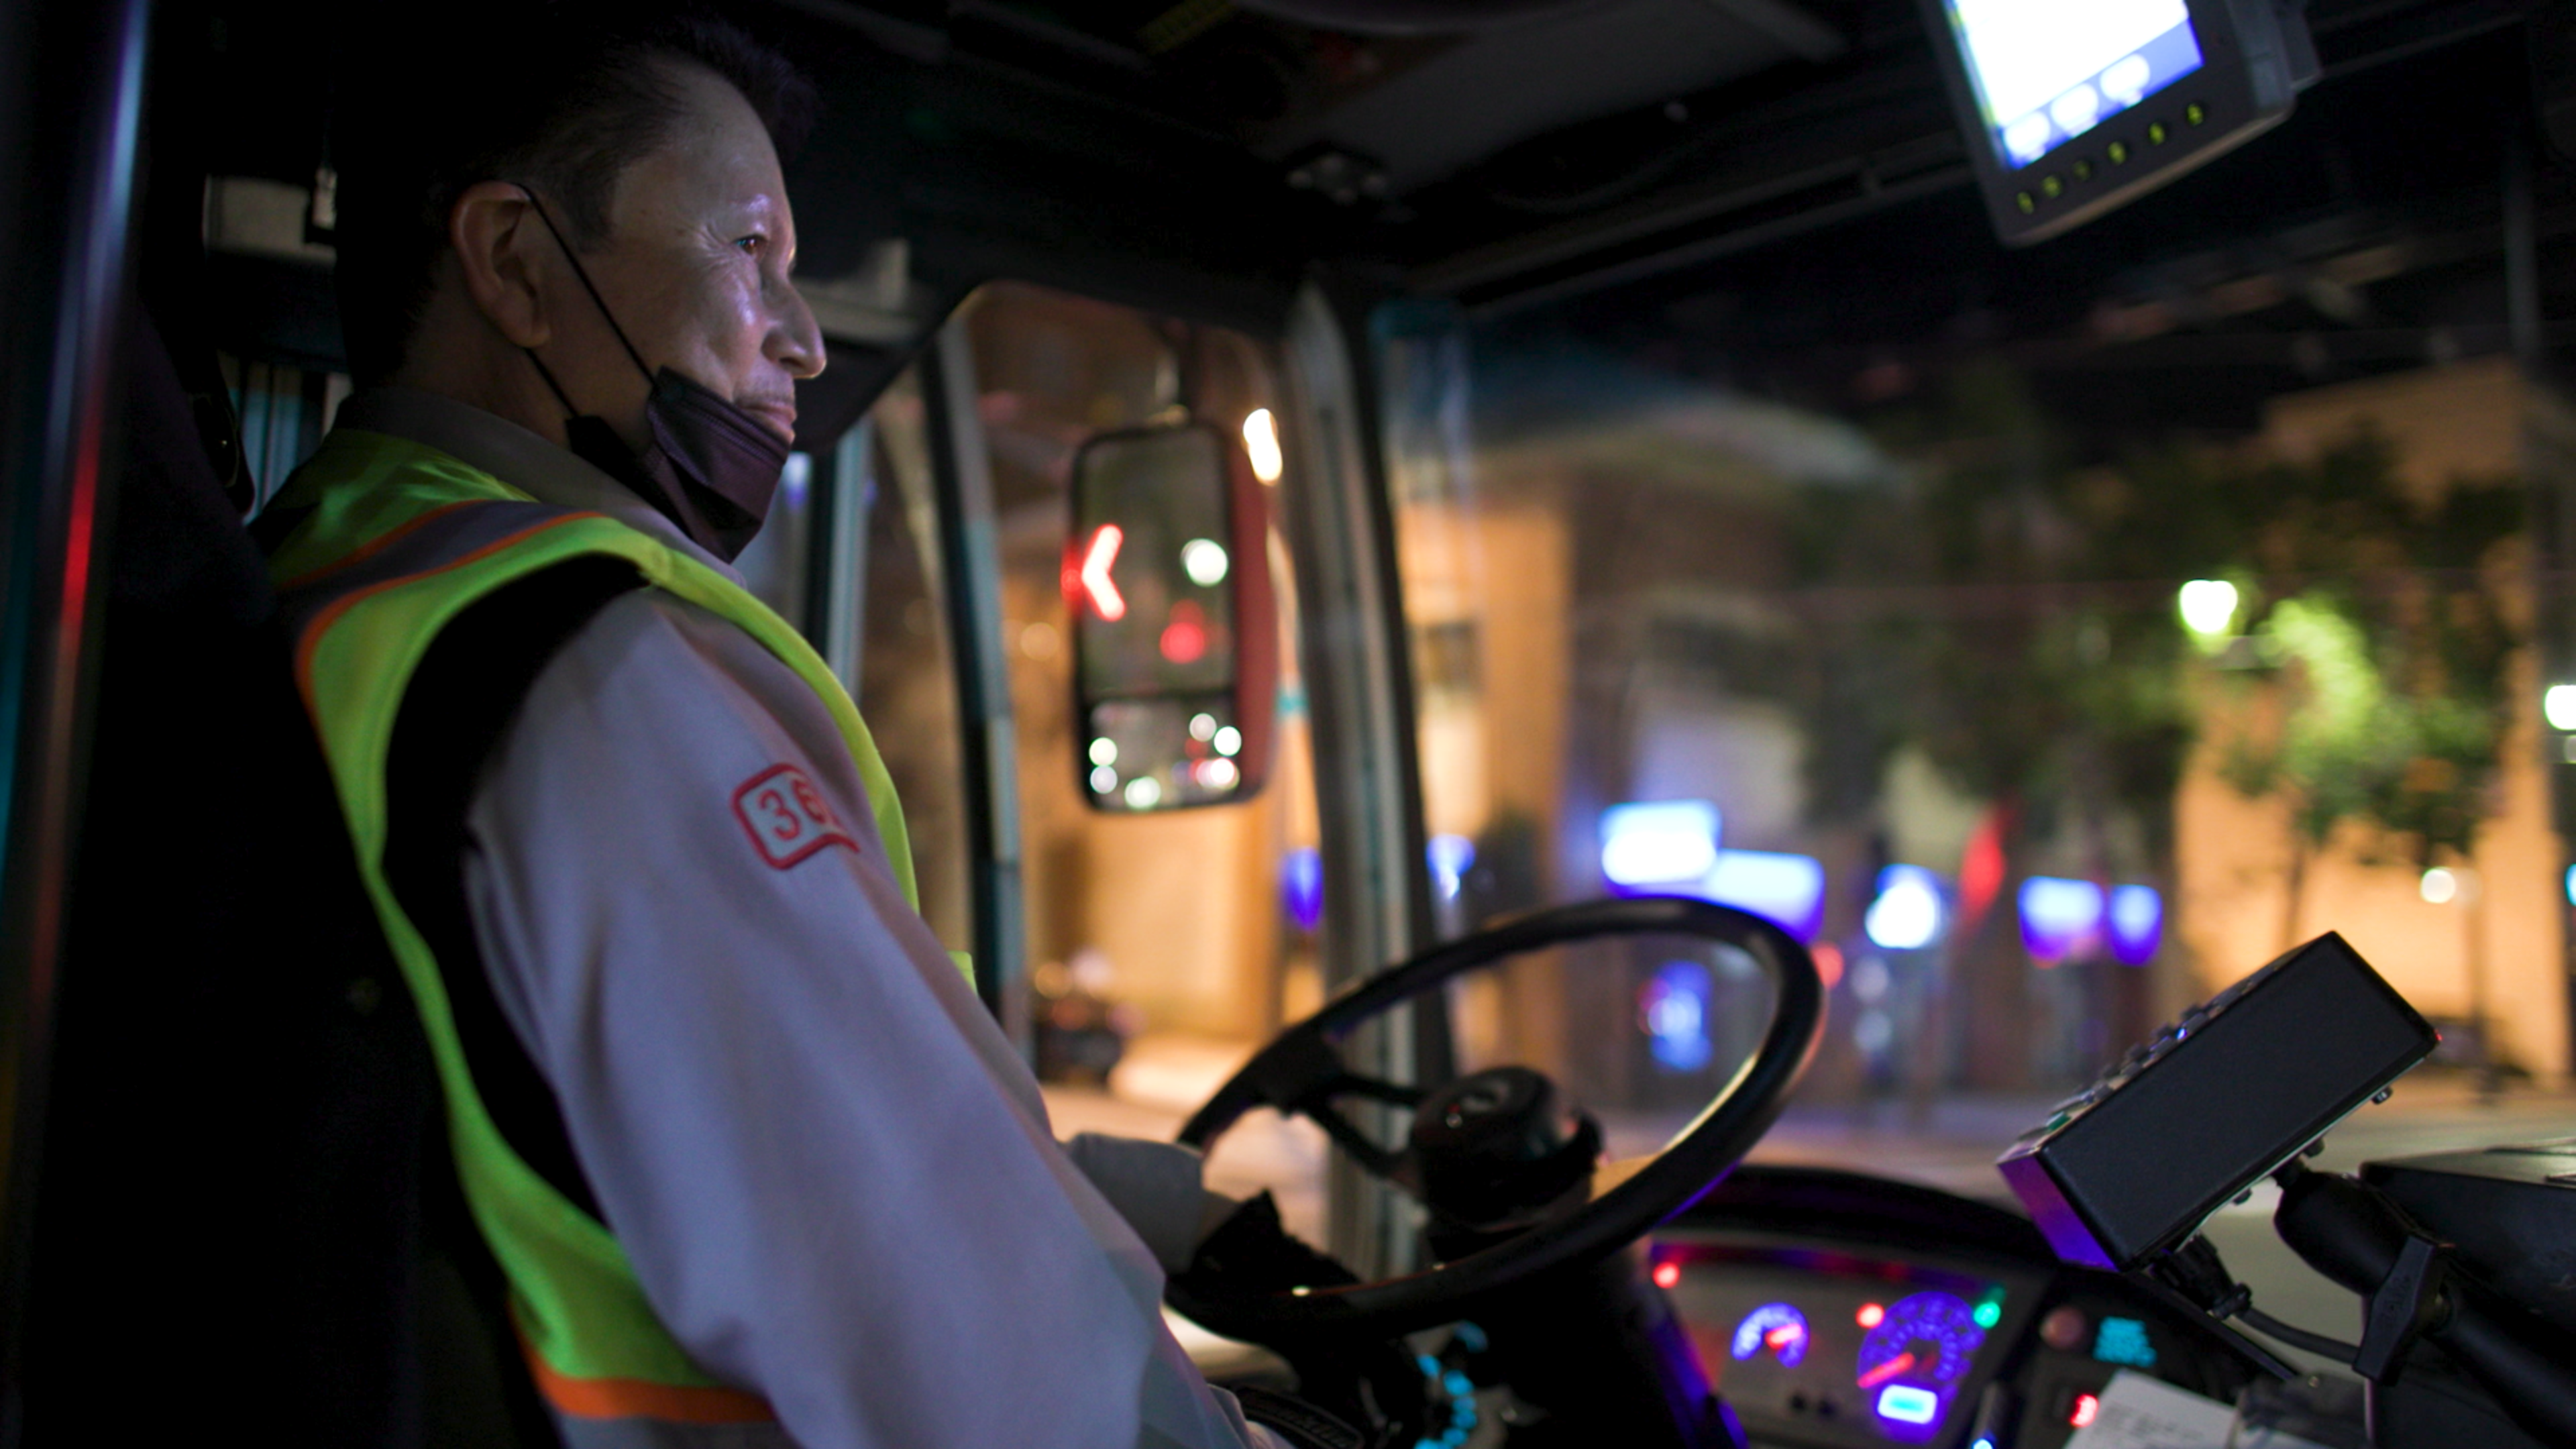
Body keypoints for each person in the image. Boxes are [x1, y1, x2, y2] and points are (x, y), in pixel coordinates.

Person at [270, 9, 1311, 1446]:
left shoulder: (335, 571)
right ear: (516, 263)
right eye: (748, 249)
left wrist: (1120, 1197)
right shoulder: (587, 671)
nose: (806, 340)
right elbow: (977, 1346)